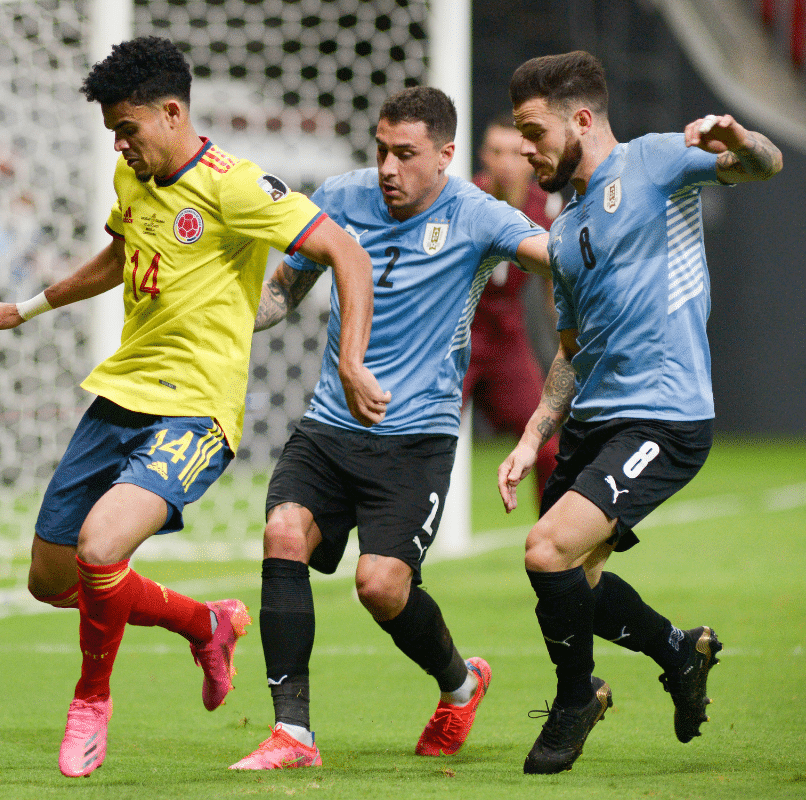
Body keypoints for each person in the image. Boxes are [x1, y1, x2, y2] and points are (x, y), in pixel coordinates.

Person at [0, 36, 386, 778]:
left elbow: (345, 253)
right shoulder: (136, 179)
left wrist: (350, 359)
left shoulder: (237, 185)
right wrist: (26, 308)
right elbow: (120, 256)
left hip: (196, 413)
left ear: (172, 112)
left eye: (128, 130)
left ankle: (91, 702)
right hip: (119, 396)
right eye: (113, 135)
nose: (121, 147)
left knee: (100, 548)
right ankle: (205, 622)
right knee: (51, 579)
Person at [229, 87, 551, 770]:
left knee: (379, 585)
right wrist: (223, 319)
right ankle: (294, 734)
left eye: (405, 154)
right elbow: (286, 289)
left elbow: (556, 256)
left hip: (416, 437)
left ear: (445, 155)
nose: (387, 167)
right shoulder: (342, 199)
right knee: (283, 530)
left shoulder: (477, 214)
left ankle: (461, 683)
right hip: (328, 425)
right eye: (381, 149)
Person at [499, 50, 782, 775]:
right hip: (593, 420)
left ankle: (575, 699)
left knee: (545, 550)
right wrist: (535, 433)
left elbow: (765, 166)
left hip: (664, 416)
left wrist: (741, 141)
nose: (524, 150)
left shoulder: (655, 162)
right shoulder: (563, 231)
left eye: (532, 132)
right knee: (574, 586)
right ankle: (678, 651)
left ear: (582, 120)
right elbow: (571, 349)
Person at [465, 114, 561, 508]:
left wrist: (571, 346)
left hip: (506, 339)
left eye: (513, 152)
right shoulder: (464, 202)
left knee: (548, 446)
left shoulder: (547, 209)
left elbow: (553, 290)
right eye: (495, 151)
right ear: (482, 156)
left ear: (528, 157)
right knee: (422, 442)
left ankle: (554, 546)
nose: (504, 161)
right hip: (459, 338)